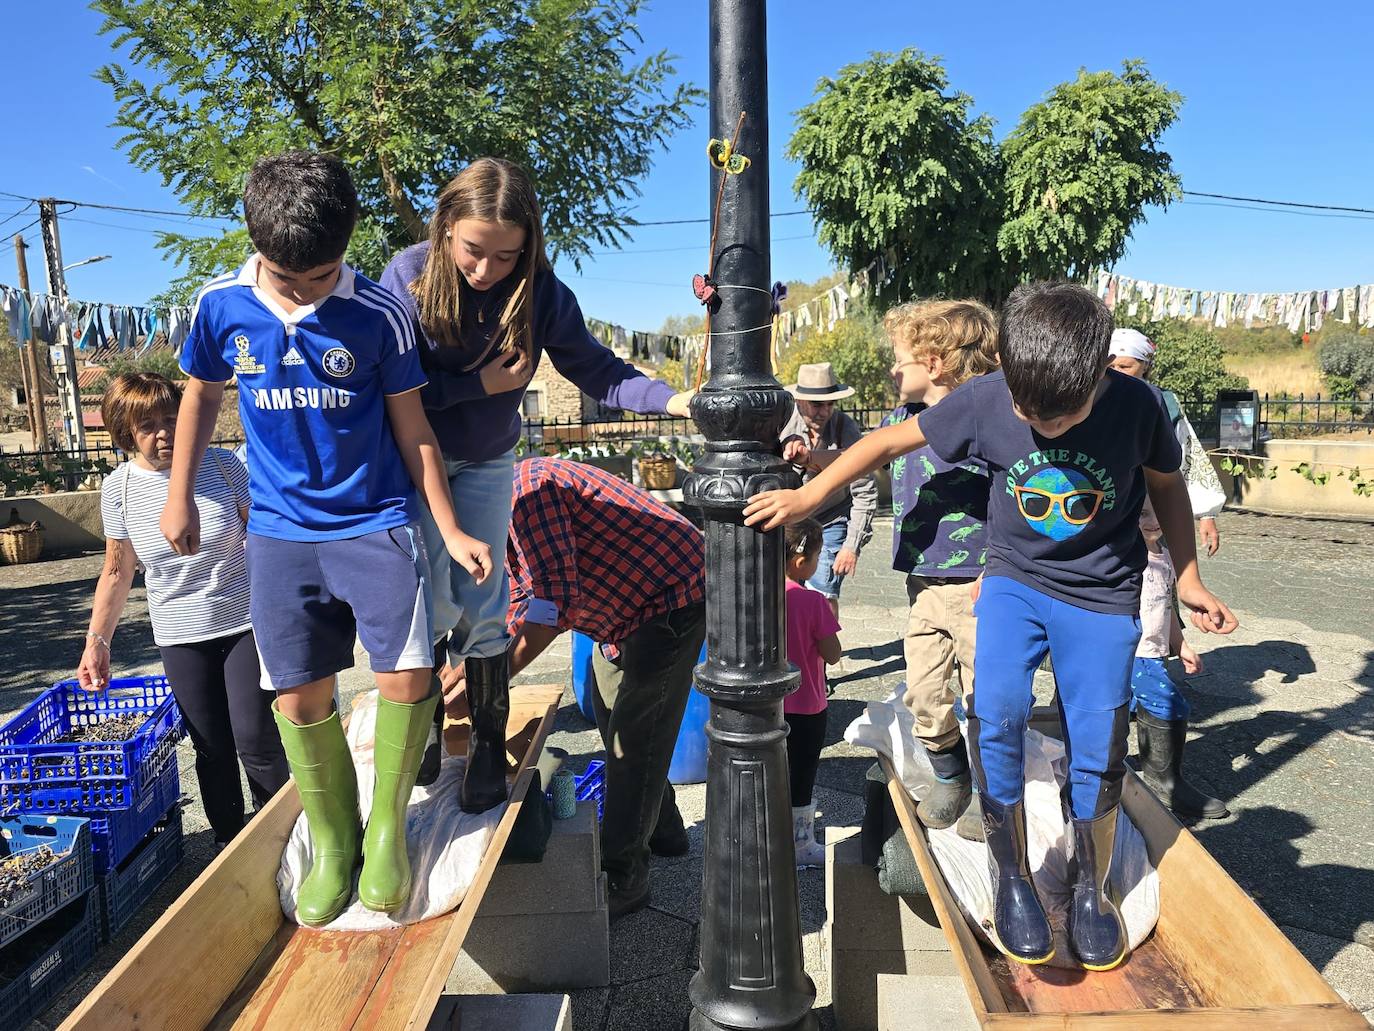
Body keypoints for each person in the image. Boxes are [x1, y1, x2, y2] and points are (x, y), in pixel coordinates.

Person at [745, 282, 1238, 972]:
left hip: (1101, 595)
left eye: (1062, 413)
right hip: (1014, 583)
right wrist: (805, 494)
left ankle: (1091, 890)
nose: (1043, 422)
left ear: (1100, 370)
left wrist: (1186, 576)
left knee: (1099, 737)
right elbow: (888, 440)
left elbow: (1165, 486)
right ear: (1007, 363)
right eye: (1027, 408)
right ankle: (1014, 875)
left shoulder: (1140, 406)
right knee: (997, 710)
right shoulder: (987, 396)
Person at [163, 150, 493, 927]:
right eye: (291, 276)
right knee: (299, 693)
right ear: (258, 246)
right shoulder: (218, 307)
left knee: (407, 678)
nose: (310, 288)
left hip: (375, 521)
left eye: (324, 274)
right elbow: (200, 397)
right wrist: (178, 493)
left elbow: (414, 429)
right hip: (279, 534)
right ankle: (337, 836)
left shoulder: (380, 314)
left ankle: (388, 832)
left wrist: (447, 524)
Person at [379, 158, 694, 810]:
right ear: (443, 230)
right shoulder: (405, 278)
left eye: (505, 255)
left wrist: (673, 400)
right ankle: (430, 724)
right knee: (426, 600)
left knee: (484, 596)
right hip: (418, 459)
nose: (486, 270)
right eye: (473, 251)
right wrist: (480, 385)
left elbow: (599, 370)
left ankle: (488, 747)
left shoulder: (541, 294)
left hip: (490, 462)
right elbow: (390, 389)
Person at [439, 457, 704, 919]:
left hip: (671, 594)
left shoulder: (528, 494)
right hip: (620, 609)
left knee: (634, 737)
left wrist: (492, 679)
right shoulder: (483, 517)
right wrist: (468, 661)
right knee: (609, 713)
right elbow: (519, 599)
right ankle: (663, 826)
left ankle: (625, 874)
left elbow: (552, 605)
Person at [77, 372, 288, 850]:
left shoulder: (222, 468)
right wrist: (97, 643)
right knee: (211, 748)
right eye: (148, 424)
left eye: (172, 419)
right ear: (126, 432)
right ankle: (232, 847)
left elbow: (268, 539)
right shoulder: (120, 489)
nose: (163, 433)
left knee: (257, 739)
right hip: (179, 636)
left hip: (245, 625)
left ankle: (285, 837)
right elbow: (116, 571)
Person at [880, 300, 999, 837]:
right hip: (924, 584)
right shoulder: (897, 422)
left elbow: (1012, 494)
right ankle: (951, 776)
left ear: (933, 362)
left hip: (980, 582)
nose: (891, 369)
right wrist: (812, 460)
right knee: (924, 692)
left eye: (898, 359)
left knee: (988, 695)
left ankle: (994, 791)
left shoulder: (983, 426)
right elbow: (860, 456)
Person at [1108, 328, 1228, 819]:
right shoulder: (1092, 402)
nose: (1116, 372)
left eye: (1127, 365)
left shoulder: (1164, 405)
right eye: (1110, 363)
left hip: (1151, 544)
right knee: (1105, 681)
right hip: (1112, 538)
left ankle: (1160, 776)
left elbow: (1183, 468)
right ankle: (1115, 775)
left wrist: (1203, 513)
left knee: (1147, 666)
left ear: (1145, 367)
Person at [778, 362, 877, 620]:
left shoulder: (846, 427)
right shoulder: (783, 427)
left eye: (830, 404)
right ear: (800, 401)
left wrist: (851, 546)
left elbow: (865, 490)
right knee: (786, 589)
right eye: (817, 404)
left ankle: (824, 652)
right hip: (790, 521)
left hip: (831, 519)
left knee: (824, 590)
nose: (825, 411)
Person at [782, 519, 842, 869]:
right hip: (807, 705)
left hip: (769, 705)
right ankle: (800, 843)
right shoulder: (811, 601)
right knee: (802, 775)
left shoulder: (759, 595)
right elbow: (832, 653)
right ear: (802, 561)